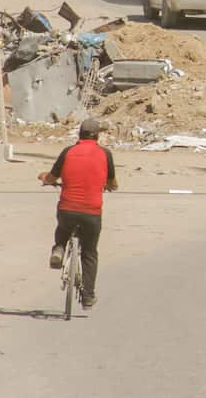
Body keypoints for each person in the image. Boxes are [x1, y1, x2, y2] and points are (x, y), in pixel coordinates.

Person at [39, 116, 117, 311]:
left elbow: (52, 177)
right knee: (90, 252)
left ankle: (58, 249)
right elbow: (112, 182)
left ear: (79, 134)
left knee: (62, 228)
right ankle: (88, 297)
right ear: (98, 136)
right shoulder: (105, 154)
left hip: (68, 209)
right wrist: (108, 186)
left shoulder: (68, 152)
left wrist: (45, 178)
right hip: (92, 212)